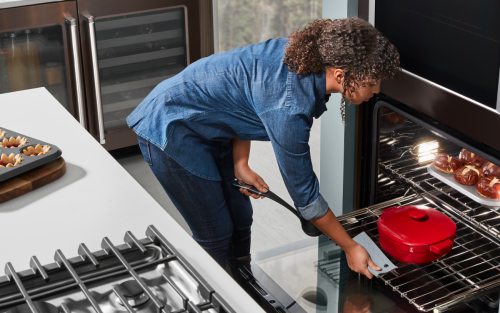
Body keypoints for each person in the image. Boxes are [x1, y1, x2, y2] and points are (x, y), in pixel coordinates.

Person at [127, 18, 400, 278]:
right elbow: (305, 197)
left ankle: (241, 287)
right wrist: (350, 247)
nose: (376, 90)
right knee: (216, 233)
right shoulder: (290, 107)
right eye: (372, 82)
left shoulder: (303, 55)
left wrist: (240, 163)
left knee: (241, 217)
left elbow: (241, 98)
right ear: (341, 75)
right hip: (170, 128)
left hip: (206, 125)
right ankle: (209, 300)